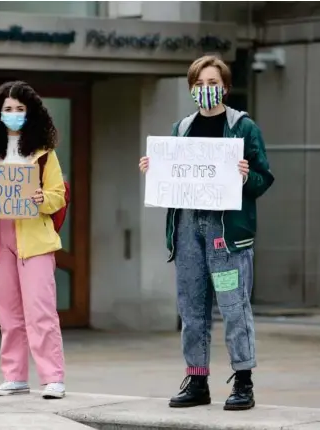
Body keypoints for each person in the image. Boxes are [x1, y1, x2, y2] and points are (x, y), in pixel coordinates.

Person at [139, 55, 274, 411]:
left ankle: (243, 381)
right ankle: (197, 379)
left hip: (225, 234)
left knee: (233, 306)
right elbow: (171, 177)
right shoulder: (181, 128)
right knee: (191, 307)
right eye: (199, 84)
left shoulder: (243, 128)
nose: (206, 90)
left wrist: (247, 176)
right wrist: (154, 170)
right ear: (191, 89)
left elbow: (264, 179)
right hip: (188, 229)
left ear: (226, 88)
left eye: (213, 83)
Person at [0, 81, 67, 399]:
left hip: (34, 237)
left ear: (31, 113)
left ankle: (52, 378)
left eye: (19, 109)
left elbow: (57, 195)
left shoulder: (44, 155)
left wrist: (41, 198)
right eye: (7, 109)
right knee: (8, 314)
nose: (13, 114)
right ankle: (15, 376)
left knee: (41, 311)